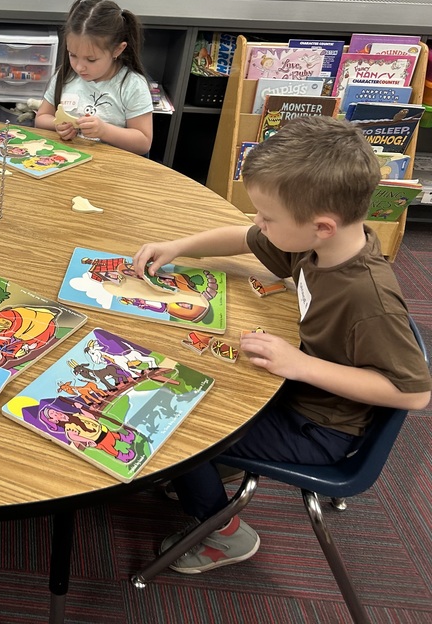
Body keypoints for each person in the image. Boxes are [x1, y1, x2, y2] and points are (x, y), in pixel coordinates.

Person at [132, 115, 431, 574]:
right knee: (173, 373)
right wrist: (179, 246)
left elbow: (414, 393)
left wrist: (301, 366)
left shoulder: (368, 296)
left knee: (175, 428)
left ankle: (222, 533)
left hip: (318, 426)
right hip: (295, 389)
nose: (258, 223)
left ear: (323, 225)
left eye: (268, 217)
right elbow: (245, 239)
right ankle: (218, 468)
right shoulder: (315, 245)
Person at [34, 0, 153, 155]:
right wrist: (57, 125)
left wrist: (104, 131)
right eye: (73, 55)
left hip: (110, 167)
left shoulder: (132, 85)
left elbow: (143, 142)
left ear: (118, 50)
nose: (79, 67)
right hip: (66, 159)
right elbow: (41, 118)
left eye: (91, 59)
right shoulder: (66, 75)